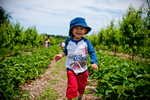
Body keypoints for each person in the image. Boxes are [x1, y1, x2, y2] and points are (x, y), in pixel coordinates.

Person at [54, 17, 98, 100]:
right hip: (71, 68)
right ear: (71, 30)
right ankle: (69, 98)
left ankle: (80, 96)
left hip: (83, 68)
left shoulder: (86, 42)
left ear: (85, 31)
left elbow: (92, 52)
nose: (79, 30)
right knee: (72, 85)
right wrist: (61, 55)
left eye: (82, 28)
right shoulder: (68, 41)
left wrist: (94, 62)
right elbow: (66, 50)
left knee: (82, 85)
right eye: (76, 28)